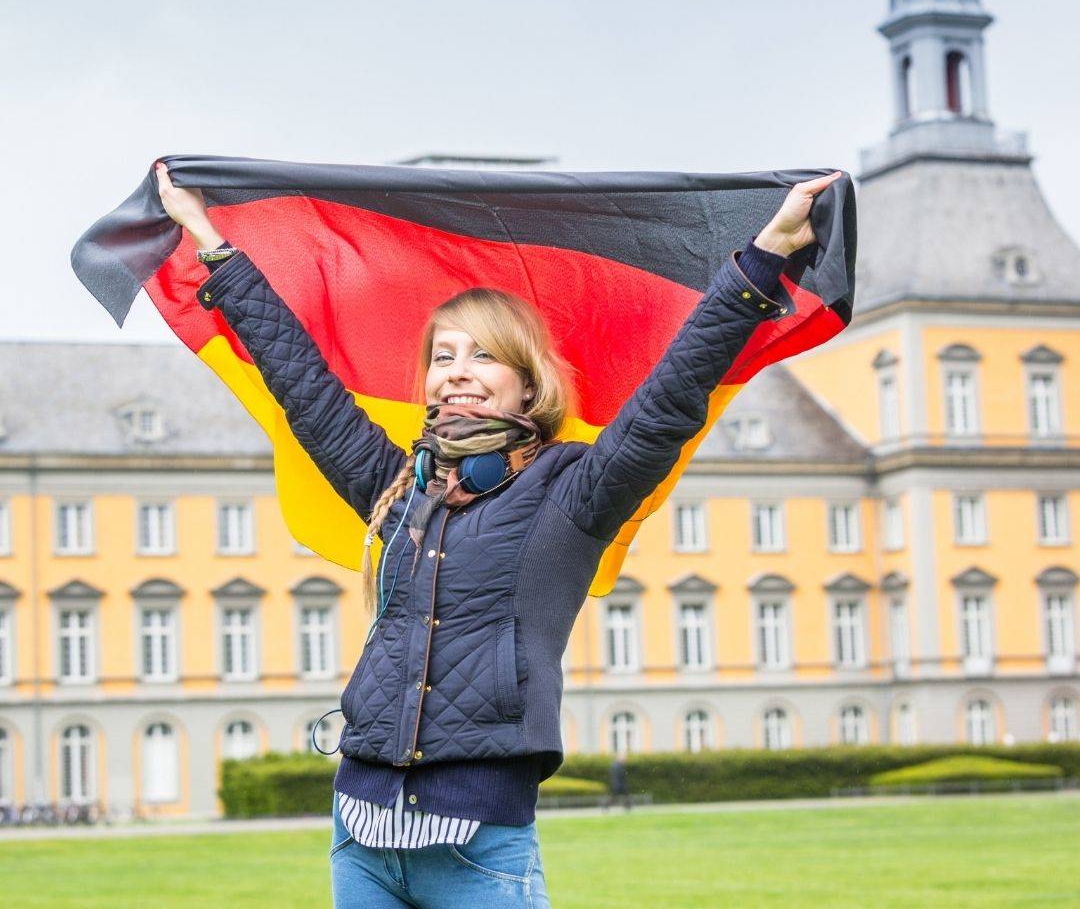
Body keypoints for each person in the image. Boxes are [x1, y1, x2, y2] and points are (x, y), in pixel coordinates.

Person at [157, 163, 841, 908]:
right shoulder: (396, 486)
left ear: (527, 383)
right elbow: (303, 387)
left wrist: (762, 260)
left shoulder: (574, 491)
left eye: (483, 355)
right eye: (442, 357)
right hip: (359, 837)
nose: (458, 372)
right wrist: (212, 244)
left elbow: (674, 392)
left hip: (478, 848)